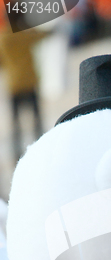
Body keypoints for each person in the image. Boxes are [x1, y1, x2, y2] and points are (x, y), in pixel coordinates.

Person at [0, 9, 47, 162]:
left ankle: (16, 154)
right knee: (36, 120)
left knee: (15, 123)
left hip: (14, 85)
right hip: (29, 82)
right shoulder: (25, 34)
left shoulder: (4, 37)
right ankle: (42, 146)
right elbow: (43, 34)